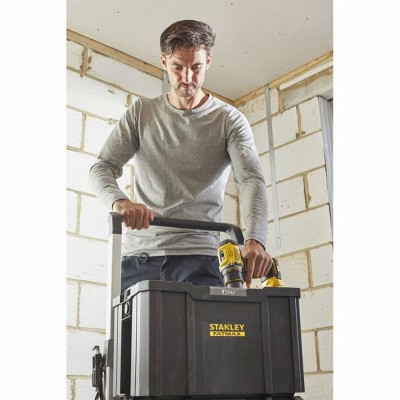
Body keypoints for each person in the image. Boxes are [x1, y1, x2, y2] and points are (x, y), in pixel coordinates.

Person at [89, 20, 272, 292]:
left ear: (208, 61)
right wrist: (120, 202)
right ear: (163, 61)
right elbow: (102, 167)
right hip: (141, 257)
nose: (187, 77)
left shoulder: (229, 120)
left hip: (201, 259)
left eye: (195, 67)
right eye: (177, 67)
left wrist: (255, 239)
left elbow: (250, 180)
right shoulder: (141, 113)